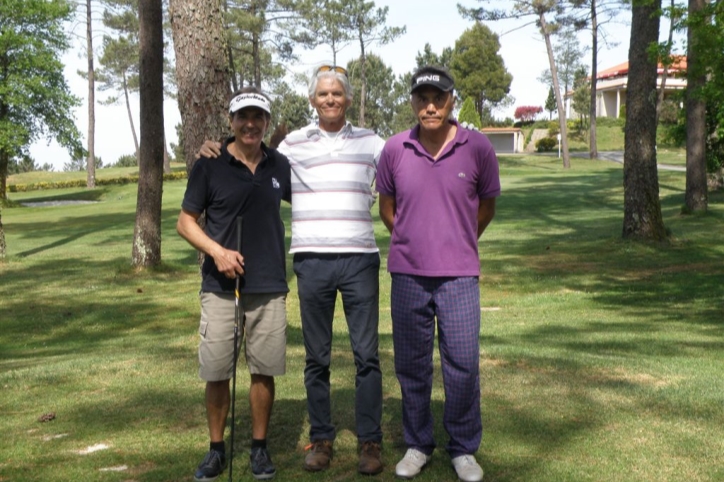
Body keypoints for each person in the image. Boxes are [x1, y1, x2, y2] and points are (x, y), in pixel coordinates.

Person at [197, 65, 386, 476]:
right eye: (323, 94)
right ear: (312, 100)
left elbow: (402, 171)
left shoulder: (374, 142)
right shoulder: (293, 145)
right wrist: (213, 147)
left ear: (348, 99)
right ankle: (321, 439)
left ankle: (370, 441)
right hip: (311, 261)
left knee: (366, 356)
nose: (330, 100)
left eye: (337, 93)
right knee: (316, 357)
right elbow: (250, 156)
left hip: (360, 260)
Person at [375, 66, 500, 482]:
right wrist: (413, 239)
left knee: (462, 363)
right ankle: (417, 443)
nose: (430, 106)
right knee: (412, 365)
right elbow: (388, 209)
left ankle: (463, 448)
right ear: (412, 102)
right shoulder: (395, 149)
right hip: (408, 274)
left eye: (438, 98)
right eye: (422, 98)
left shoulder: (477, 146)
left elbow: (485, 208)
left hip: (460, 275)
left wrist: (458, 239)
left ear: (451, 101)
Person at [177, 86, 291, 482]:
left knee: (263, 370)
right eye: (243, 117)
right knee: (217, 370)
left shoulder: (279, 166)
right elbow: (185, 222)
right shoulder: (209, 165)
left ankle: (259, 449)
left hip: (269, 283)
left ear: (266, 123)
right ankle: (216, 450)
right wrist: (217, 252)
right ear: (230, 122)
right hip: (220, 287)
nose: (250, 124)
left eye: (258, 117)